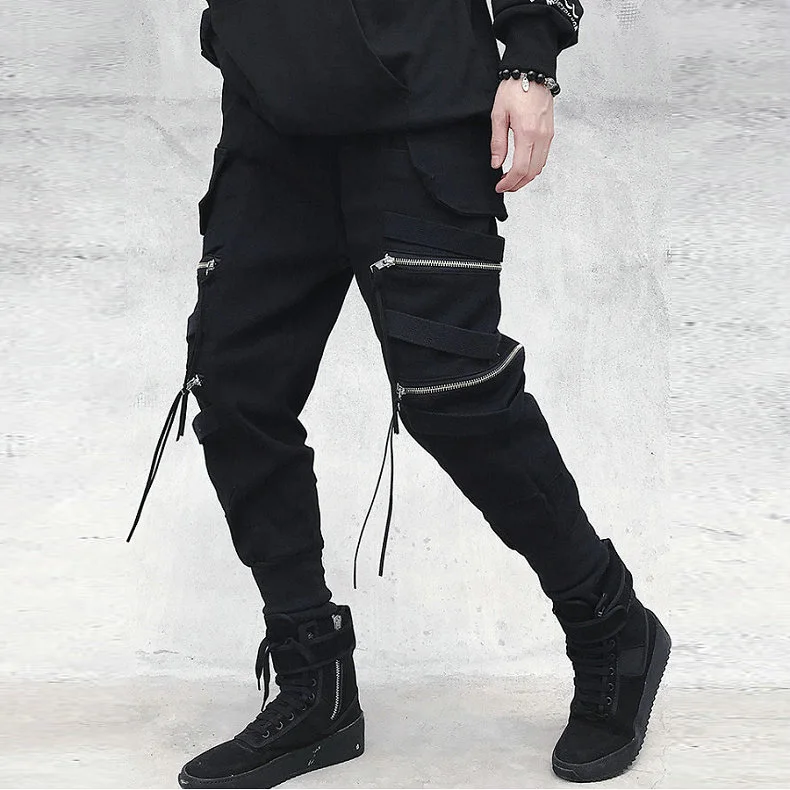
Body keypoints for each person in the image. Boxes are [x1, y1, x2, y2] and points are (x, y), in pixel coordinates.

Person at [129, 0, 671, 786]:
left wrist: (530, 56)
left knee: (455, 394)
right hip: (268, 121)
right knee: (236, 393)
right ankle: (315, 685)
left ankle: (611, 626)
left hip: (422, 103)